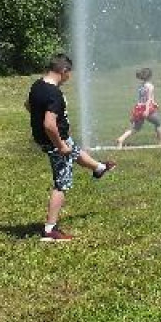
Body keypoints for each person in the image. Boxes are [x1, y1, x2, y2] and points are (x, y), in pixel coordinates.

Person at [26, 53, 116, 242]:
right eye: (69, 73)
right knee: (62, 183)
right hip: (55, 141)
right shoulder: (54, 93)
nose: (69, 77)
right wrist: (60, 145)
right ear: (63, 71)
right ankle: (50, 230)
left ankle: (98, 169)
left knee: (75, 150)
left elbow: (28, 105)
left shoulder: (37, 86)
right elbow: (49, 125)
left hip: (49, 139)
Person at [116, 67, 161, 147]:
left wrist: (154, 103)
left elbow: (142, 98)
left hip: (139, 108)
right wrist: (147, 110)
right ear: (150, 76)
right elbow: (148, 99)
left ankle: (121, 138)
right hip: (147, 108)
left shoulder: (141, 86)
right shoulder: (150, 86)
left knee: (136, 128)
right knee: (158, 123)